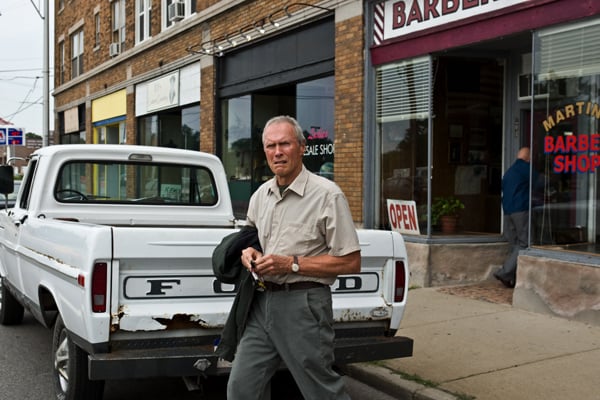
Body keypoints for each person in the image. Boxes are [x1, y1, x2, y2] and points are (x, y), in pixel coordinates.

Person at [227, 115, 361, 400]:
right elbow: (250, 239)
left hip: (304, 305)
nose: (277, 152)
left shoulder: (327, 196)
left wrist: (291, 263)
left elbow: (351, 261)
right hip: (262, 303)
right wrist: (248, 254)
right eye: (271, 145)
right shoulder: (260, 195)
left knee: (321, 390)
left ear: (301, 147)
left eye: (285, 144)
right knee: (241, 388)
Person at [494, 146, 533, 288]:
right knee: (523, 244)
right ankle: (505, 272)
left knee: (515, 244)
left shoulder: (509, 171)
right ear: (528, 157)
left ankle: (511, 277)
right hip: (520, 210)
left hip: (507, 211)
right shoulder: (525, 168)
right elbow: (541, 182)